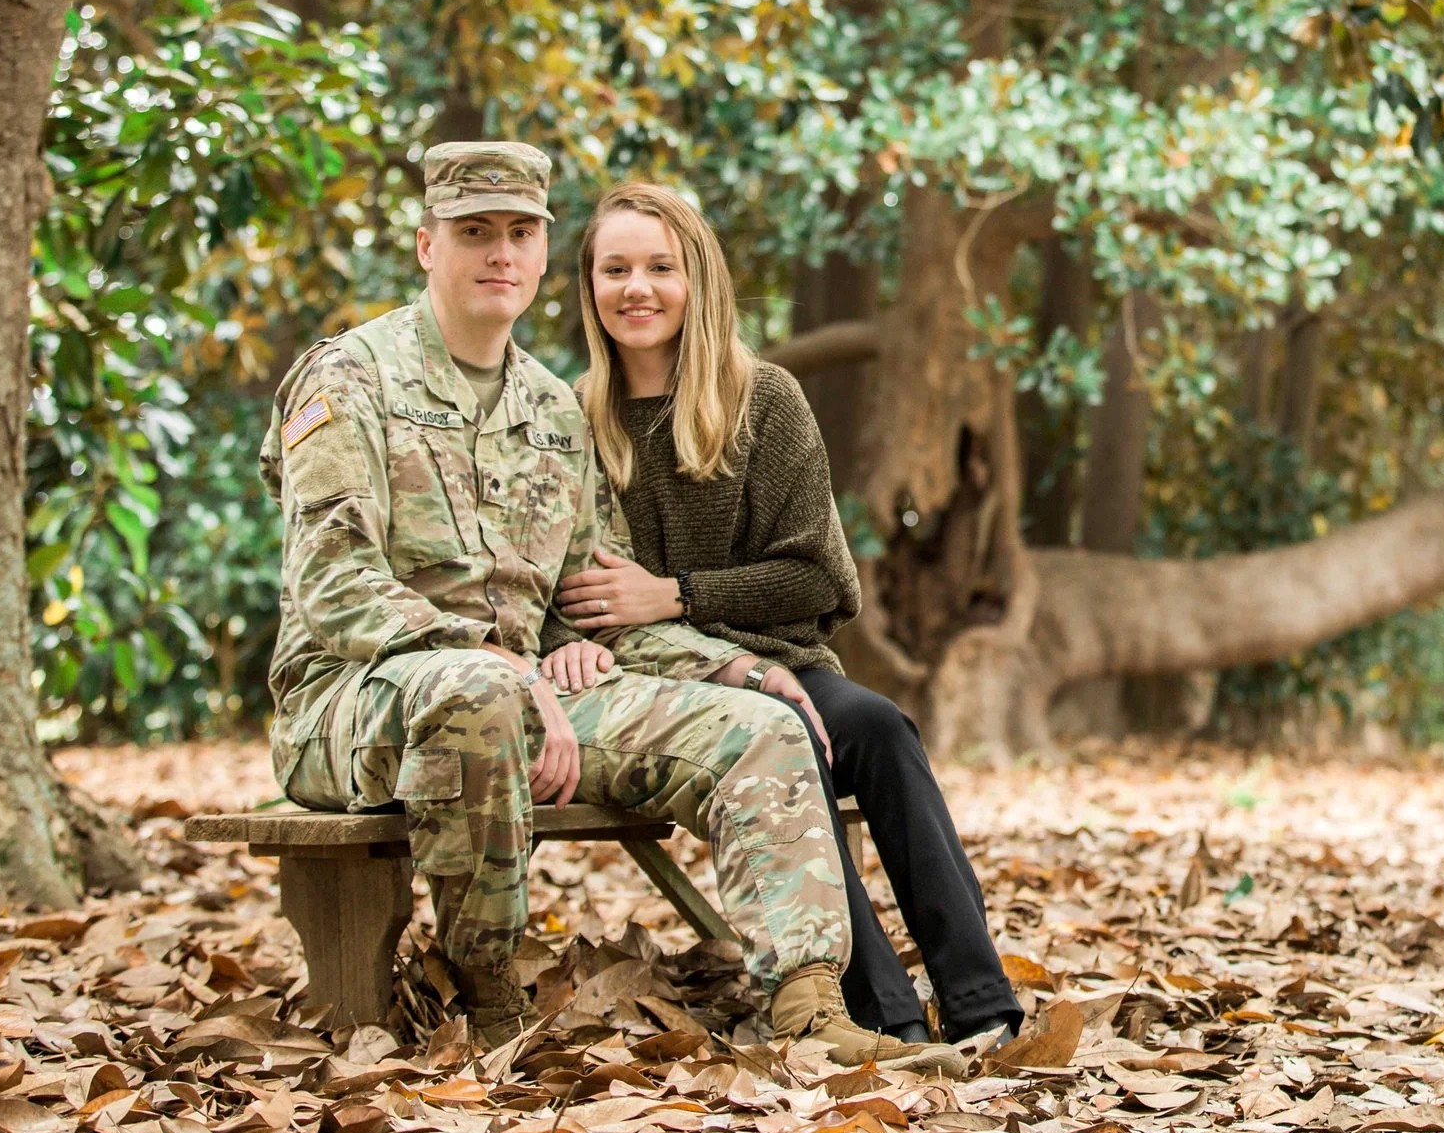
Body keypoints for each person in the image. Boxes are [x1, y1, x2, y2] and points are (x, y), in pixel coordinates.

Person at [260, 141, 937, 1064]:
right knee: (475, 698)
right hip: (355, 699)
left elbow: (589, 598)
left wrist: (734, 665)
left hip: (532, 699)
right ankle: (485, 995)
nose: (499, 252)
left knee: (759, 719)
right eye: (473, 232)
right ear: (428, 246)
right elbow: (333, 584)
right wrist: (500, 662)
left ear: (543, 256)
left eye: (519, 233)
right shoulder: (350, 378)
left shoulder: (551, 410)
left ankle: (812, 1013)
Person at [542, 182, 1022, 1046]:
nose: (636, 288)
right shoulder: (570, 423)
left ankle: (985, 1006)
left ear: (699, 280)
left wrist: (677, 592)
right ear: (589, 288)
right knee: (785, 744)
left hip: (786, 661)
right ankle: (888, 1021)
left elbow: (824, 581)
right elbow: (551, 577)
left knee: (879, 727)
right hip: (665, 691)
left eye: (660, 266)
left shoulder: (763, 399)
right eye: (614, 269)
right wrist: (572, 639)